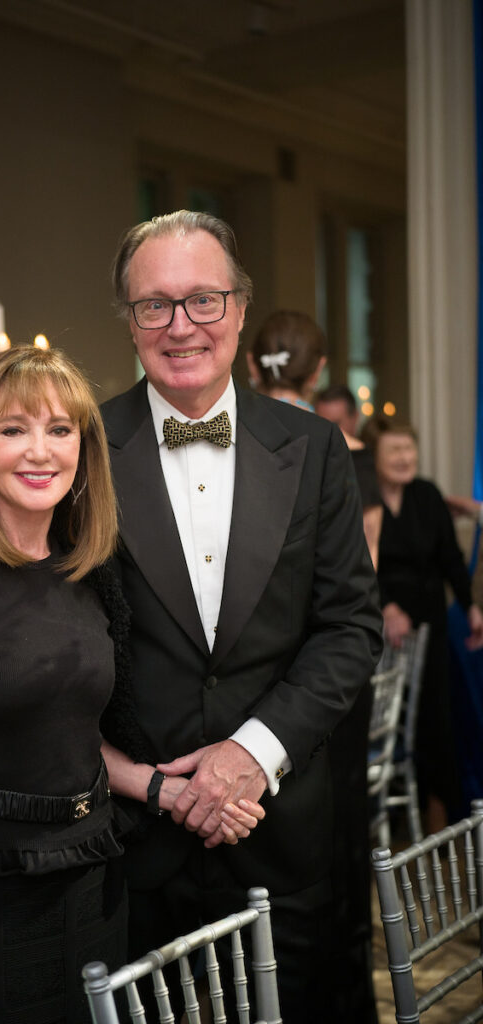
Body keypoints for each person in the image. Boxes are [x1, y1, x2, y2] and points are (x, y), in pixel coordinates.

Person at [0, 346, 264, 1024]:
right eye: (14, 429)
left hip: (93, 884)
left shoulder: (87, 569)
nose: (40, 451)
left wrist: (166, 789)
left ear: (84, 449)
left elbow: (72, 735)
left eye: (60, 429)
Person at [100, 210, 383, 1024]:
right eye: (154, 304)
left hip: (282, 836)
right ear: (129, 320)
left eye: (204, 299)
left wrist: (253, 753)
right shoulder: (83, 448)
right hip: (136, 848)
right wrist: (161, 788)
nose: (180, 324)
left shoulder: (314, 447)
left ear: (240, 307)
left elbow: (350, 627)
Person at [248, 316, 380, 1022]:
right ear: (320, 368)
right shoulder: (344, 451)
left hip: (259, 677)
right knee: (336, 831)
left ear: (250, 365)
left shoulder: (245, 446)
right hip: (329, 677)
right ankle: (338, 994)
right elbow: (363, 585)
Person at [362, 415, 483, 831]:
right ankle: (385, 819)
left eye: (409, 448)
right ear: (373, 455)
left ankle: (438, 823)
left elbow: (451, 558)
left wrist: (471, 606)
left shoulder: (427, 495)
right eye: (394, 449)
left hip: (430, 625)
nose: (405, 457)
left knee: (437, 721)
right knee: (382, 722)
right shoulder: (362, 499)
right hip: (378, 629)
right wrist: (384, 607)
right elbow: (358, 565)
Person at [315, 383, 382, 569]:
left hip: (350, 570)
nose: (328, 432)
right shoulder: (313, 457)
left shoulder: (362, 459)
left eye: (336, 424)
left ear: (355, 418)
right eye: (321, 423)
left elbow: (370, 531)